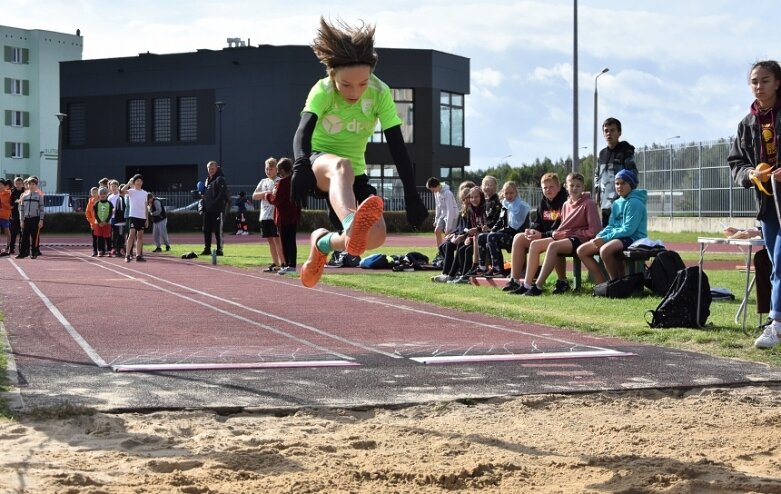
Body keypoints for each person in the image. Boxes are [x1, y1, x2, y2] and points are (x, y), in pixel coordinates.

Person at [290, 17, 429, 288]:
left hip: (354, 177)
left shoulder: (380, 93)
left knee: (375, 237)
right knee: (341, 165)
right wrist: (300, 165)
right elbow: (302, 132)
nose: (355, 91)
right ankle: (352, 221)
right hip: (320, 163)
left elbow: (397, 147)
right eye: (346, 85)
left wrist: (412, 193)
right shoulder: (323, 90)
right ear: (333, 75)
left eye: (362, 84)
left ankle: (323, 242)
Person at [728, 60, 781, 348]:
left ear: (777, 83)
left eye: (764, 80)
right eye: (754, 81)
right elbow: (735, 163)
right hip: (769, 205)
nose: (759, 86)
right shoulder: (747, 125)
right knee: (776, 263)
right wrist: (751, 174)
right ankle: (777, 321)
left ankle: (777, 323)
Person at [523, 173, 601, 296]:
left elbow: (594, 231)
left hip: (582, 240)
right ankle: (526, 285)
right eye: (572, 185)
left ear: (583, 187)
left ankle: (538, 286)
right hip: (568, 238)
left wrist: (570, 233)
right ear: (566, 187)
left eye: (578, 186)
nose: (574, 188)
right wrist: (557, 233)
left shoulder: (589, 204)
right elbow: (564, 227)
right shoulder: (566, 204)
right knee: (535, 244)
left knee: (554, 246)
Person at [577, 169, 647, 284]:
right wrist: (600, 235)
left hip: (633, 237)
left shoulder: (635, 203)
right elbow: (612, 225)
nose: (619, 186)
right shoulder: (617, 203)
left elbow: (628, 229)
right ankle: (602, 283)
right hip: (618, 236)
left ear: (631, 184)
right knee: (582, 250)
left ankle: (616, 283)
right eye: (617, 183)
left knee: (605, 250)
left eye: (623, 183)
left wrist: (605, 239)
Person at [505, 172, 568, 294]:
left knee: (538, 244)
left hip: (560, 236)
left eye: (551, 187)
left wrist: (542, 235)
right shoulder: (543, 202)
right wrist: (532, 230)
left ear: (559, 187)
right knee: (518, 238)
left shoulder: (565, 202)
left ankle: (530, 285)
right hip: (545, 235)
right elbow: (538, 222)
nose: (548, 190)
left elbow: (561, 228)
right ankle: (515, 280)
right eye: (545, 188)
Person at [474, 181, 530, 277]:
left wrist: (495, 233)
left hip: (517, 237)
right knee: (482, 237)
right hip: (506, 234)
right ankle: (482, 267)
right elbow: (500, 222)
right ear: (503, 194)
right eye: (506, 193)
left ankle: (498, 270)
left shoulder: (522, 206)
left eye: (511, 193)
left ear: (516, 192)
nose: (509, 195)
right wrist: (491, 230)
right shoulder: (505, 205)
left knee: (492, 237)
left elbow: (515, 227)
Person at [594, 117, 637, 227]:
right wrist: (597, 196)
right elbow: (597, 176)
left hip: (621, 204)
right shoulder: (602, 154)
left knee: (621, 237)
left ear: (619, 132)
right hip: (605, 206)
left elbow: (633, 176)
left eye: (612, 130)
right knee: (606, 235)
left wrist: (627, 199)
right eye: (606, 131)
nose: (609, 133)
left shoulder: (625, 151)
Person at [267, 158, 301, 275]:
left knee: (285, 241)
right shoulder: (296, 181)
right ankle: (292, 265)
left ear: (281, 169)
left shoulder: (281, 182)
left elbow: (275, 199)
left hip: (283, 216)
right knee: (292, 241)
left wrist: (267, 196)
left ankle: (288, 265)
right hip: (294, 215)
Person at [253, 156, 284, 272]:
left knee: (277, 239)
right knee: (270, 240)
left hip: (275, 215)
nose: (268, 171)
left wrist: (267, 195)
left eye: (271, 169)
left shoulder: (279, 181)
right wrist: (266, 193)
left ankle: (283, 263)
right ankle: (275, 263)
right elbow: (254, 196)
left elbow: (277, 197)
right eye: (266, 169)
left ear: (276, 169)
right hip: (264, 215)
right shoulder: (263, 181)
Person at [199, 160, 229, 256]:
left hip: (217, 210)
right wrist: (203, 199)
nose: (210, 170)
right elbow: (206, 195)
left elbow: (222, 194)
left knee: (217, 230)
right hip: (207, 210)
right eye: (209, 168)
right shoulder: (207, 180)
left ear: (216, 168)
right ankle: (207, 249)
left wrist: (214, 203)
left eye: (212, 168)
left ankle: (219, 249)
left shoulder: (220, 179)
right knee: (206, 229)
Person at [427, 177, 459, 249]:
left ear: (438, 186)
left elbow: (450, 210)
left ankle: (451, 251)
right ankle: (440, 251)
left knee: (449, 234)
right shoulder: (436, 192)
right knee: (437, 230)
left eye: (433, 189)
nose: (432, 191)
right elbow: (438, 206)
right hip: (443, 213)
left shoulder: (448, 193)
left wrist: (448, 227)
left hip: (452, 214)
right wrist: (436, 219)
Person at [17, 176, 44, 259]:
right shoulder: (24, 196)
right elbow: (21, 209)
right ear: (27, 185)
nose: (31, 186)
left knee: (34, 237)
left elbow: (42, 209)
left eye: (33, 184)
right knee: (24, 237)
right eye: (30, 184)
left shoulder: (39, 196)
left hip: (35, 219)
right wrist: (21, 220)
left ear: (36, 185)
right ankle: (22, 253)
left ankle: (34, 253)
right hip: (26, 219)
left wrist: (41, 220)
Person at [124, 174, 149, 262]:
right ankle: (127, 255)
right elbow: (122, 191)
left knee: (140, 236)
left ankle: (138, 255)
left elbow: (146, 207)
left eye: (140, 181)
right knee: (131, 235)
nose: (139, 182)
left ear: (142, 183)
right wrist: (128, 184)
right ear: (134, 182)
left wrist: (147, 219)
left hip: (142, 217)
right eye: (137, 181)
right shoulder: (131, 191)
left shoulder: (145, 193)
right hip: (133, 216)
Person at [93, 186, 114, 257]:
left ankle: (109, 250)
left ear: (106, 195)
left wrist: (106, 221)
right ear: (99, 195)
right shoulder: (96, 204)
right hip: (98, 224)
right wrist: (99, 222)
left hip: (107, 223)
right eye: (101, 194)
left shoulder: (110, 204)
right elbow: (95, 213)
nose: (102, 195)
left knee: (107, 237)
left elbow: (110, 213)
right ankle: (100, 250)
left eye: (104, 194)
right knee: (99, 237)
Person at [111, 184, 128, 258]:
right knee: (119, 235)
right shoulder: (121, 199)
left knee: (121, 235)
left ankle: (120, 249)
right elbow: (119, 211)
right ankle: (118, 250)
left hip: (121, 221)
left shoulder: (124, 198)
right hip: (120, 221)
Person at [9, 177, 23, 255]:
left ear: (22, 184)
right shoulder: (12, 192)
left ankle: (22, 249)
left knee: (22, 233)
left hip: (23, 216)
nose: (18, 185)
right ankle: (11, 248)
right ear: (14, 184)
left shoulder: (25, 192)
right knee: (13, 233)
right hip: (14, 216)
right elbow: (10, 204)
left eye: (19, 183)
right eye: (16, 183)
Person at [0, 180, 12, 256]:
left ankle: (8, 247)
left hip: (5, 216)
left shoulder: (9, 193)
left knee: (6, 231)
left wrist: (4, 204)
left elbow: (11, 206)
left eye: (1, 185)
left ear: (5, 186)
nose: (0, 186)